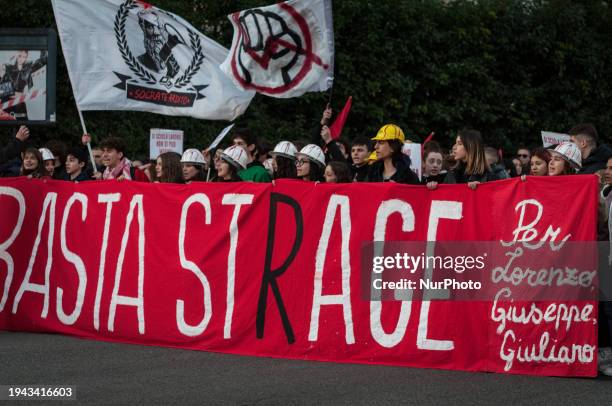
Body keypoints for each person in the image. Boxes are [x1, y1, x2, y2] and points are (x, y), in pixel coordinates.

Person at [3, 50, 47, 120]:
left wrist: (43, 49)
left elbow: (43, 61)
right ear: (16, 55)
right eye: (20, 56)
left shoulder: (28, 69)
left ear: (26, 58)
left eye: (24, 57)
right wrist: (13, 93)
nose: (21, 59)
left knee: (23, 123)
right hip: (6, 103)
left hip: (19, 103)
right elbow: (2, 87)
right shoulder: (8, 68)